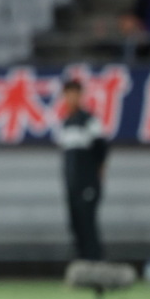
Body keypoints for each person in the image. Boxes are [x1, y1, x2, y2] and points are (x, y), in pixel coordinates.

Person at [53, 80, 108, 262]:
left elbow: (101, 150)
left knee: (87, 223)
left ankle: (95, 262)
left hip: (88, 183)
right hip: (72, 185)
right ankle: (82, 261)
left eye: (75, 94)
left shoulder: (89, 121)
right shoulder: (65, 123)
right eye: (68, 94)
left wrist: (96, 177)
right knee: (75, 223)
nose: (71, 98)